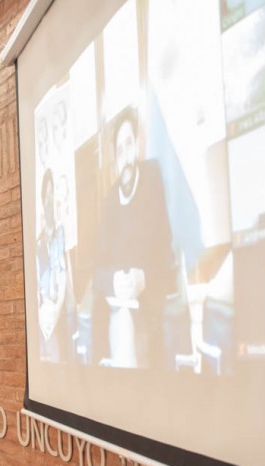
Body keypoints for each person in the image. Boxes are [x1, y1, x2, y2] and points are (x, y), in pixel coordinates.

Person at [92, 106, 175, 369]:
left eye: (129, 145)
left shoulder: (153, 180)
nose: (125, 156)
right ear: (115, 159)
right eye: (119, 150)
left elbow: (166, 254)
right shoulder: (108, 203)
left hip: (150, 295)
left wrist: (145, 277)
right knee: (118, 323)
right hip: (119, 303)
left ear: (137, 146)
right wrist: (114, 281)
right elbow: (98, 270)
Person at [37, 168, 72, 362]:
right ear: (43, 200)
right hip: (43, 319)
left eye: (53, 193)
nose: (50, 200)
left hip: (60, 313)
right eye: (47, 194)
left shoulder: (61, 235)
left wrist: (56, 311)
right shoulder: (37, 244)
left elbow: (64, 276)